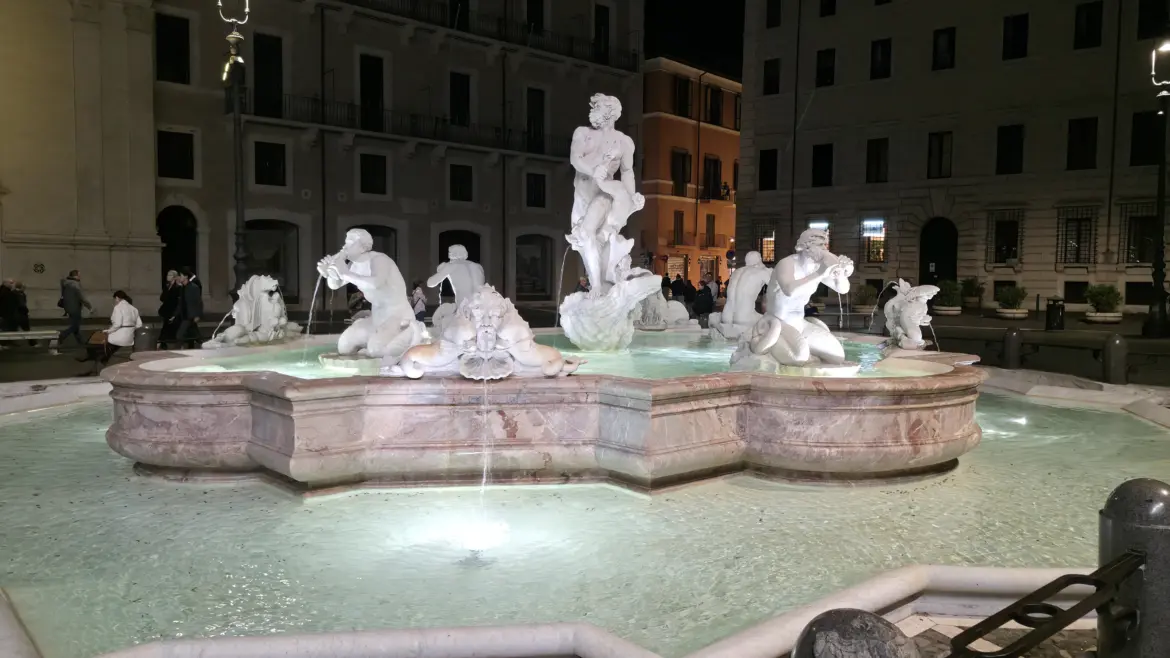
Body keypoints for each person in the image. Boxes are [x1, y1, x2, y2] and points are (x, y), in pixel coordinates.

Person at [79, 290, 142, 374]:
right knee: (104, 347)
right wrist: (130, 330)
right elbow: (139, 324)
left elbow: (117, 324)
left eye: (114, 300)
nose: (114, 302)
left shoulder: (118, 307)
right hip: (129, 338)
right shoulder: (134, 309)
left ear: (117, 298)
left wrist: (108, 331)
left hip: (118, 337)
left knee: (96, 340)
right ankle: (96, 364)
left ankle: (92, 359)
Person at [59, 270, 92, 347]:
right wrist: (89, 306)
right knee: (75, 326)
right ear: (75, 276)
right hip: (75, 308)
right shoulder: (75, 284)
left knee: (75, 326)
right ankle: (62, 335)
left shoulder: (66, 284)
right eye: (79, 275)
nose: (80, 277)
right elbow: (82, 298)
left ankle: (81, 342)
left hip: (68, 307)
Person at [176, 266, 203, 349]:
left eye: (180, 275)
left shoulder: (193, 287)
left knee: (179, 335)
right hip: (184, 315)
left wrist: (197, 315)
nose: (179, 277)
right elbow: (181, 303)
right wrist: (175, 315)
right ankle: (201, 345)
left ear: (186, 276)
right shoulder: (182, 288)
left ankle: (181, 350)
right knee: (195, 335)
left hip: (190, 316)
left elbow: (198, 302)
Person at [157, 270, 183, 348]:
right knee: (166, 327)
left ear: (174, 277)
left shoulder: (178, 287)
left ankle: (162, 342)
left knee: (170, 328)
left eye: (170, 275)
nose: (168, 276)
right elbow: (162, 298)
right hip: (166, 311)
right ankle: (163, 342)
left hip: (173, 311)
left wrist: (175, 313)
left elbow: (178, 301)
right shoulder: (167, 286)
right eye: (168, 275)